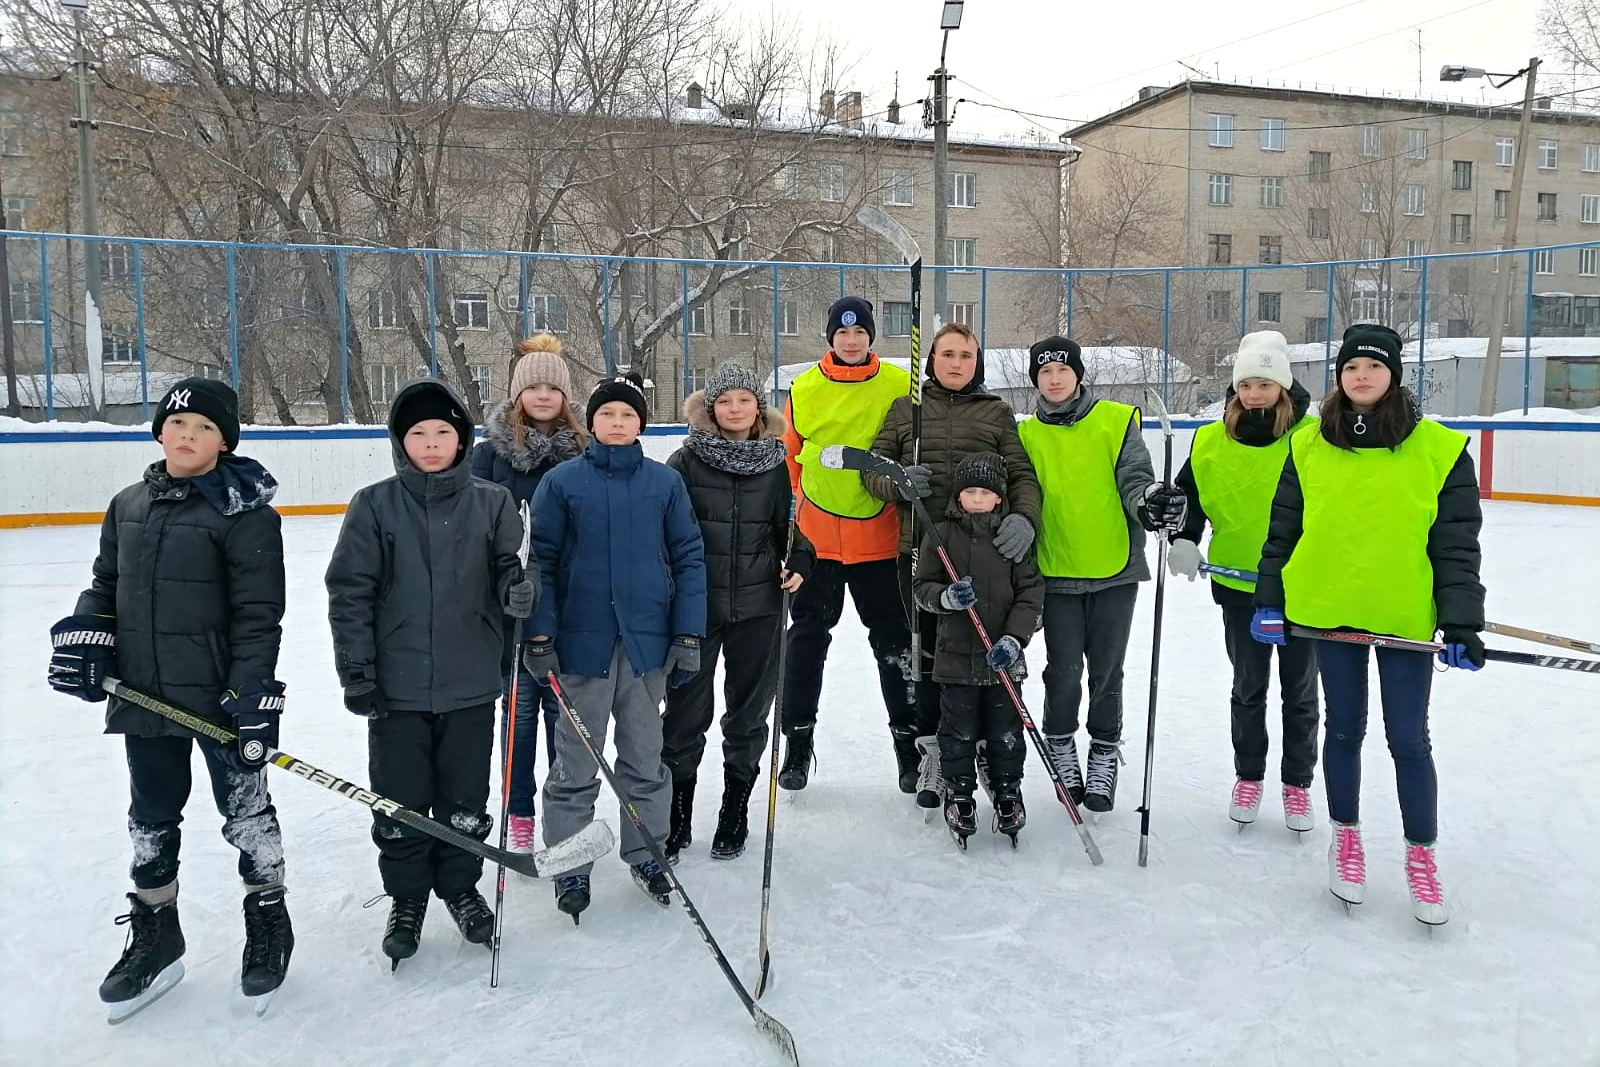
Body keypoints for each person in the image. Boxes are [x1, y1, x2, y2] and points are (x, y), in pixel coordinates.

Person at [48, 378, 293, 1018]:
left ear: (225, 440)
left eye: (206, 428)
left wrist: (252, 697)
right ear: (159, 430)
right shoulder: (127, 503)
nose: (188, 436)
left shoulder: (246, 514)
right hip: (143, 694)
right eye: (179, 424)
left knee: (246, 814)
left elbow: (259, 616)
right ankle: (156, 933)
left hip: (221, 700)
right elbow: (106, 584)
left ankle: (268, 919)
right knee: (152, 817)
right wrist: (85, 636)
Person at [1252, 324, 1484, 926]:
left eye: (1374, 367)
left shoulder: (1437, 448)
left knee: (1408, 737)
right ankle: (1347, 838)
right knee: (1344, 728)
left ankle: (1420, 855)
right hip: (1330, 611)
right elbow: (1284, 531)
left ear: (1394, 375)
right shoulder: (1308, 446)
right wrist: (1270, 600)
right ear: (1339, 376)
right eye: (1351, 367)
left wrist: (1461, 621)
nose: (1362, 376)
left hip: (1403, 614)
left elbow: (1456, 546)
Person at [325, 379, 534, 968]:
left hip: (471, 680)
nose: (432, 443)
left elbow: (508, 570)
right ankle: (408, 897)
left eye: (444, 431)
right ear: (400, 441)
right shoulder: (374, 504)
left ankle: (461, 887)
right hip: (396, 687)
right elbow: (350, 592)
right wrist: (357, 673)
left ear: (462, 438)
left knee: (465, 797)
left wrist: (518, 591)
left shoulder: (491, 502)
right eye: (419, 433)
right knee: (401, 801)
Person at [527, 372, 707, 920]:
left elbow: (688, 557)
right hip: (583, 647)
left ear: (640, 426)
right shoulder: (561, 483)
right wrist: (539, 634)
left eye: (628, 416)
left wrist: (687, 633)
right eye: (607, 414)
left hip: (647, 645)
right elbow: (543, 563)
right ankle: (570, 860)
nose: (617, 423)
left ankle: (647, 852)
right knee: (575, 762)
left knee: (644, 759)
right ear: (592, 421)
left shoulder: (663, 484)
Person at [863, 320, 1041, 807]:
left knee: (982, 649)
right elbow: (874, 470)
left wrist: (1024, 517)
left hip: (982, 558)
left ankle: (985, 744)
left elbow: (1021, 472)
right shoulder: (907, 411)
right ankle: (936, 749)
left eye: (966, 355)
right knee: (924, 655)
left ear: (976, 362)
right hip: (922, 553)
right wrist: (897, 483)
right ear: (932, 360)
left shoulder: (995, 412)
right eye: (947, 355)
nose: (957, 363)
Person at [1016, 336, 1188, 813]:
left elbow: (1135, 479)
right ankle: (1062, 745)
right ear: (1035, 379)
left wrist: (1149, 503)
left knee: (1107, 673)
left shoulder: (1115, 421)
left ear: (1078, 374)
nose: (1054, 379)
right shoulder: (1027, 434)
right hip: (1055, 572)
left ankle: (1105, 752)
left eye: (1063, 371)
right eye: (1045, 372)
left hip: (1115, 571)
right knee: (1064, 672)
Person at [661, 364, 814, 862]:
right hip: (695, 609)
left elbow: (789, 530)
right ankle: (677, 813)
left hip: (759, 606)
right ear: (710, 408)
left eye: (743, 400)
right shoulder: (683, 462)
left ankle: (734, 809)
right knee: (685, 714)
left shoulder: (775, 464)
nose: (734, 410)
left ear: (757, 407)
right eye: (724, 401)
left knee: (747, 716)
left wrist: (800, 560)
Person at [1170, 330, 1321, 831]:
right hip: (1239, 585)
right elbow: (1188, 494)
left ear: (1282, 385)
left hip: (1302, 584)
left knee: (1299, 691)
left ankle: (1297, 783)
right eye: (1245, 384)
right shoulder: (1211, 438)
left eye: (1264, 382)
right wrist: (1185, 537)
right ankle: (1249, 774)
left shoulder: (1311, 438)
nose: (1253, 393)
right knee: (1248, 685)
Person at [779, 296, 916, 792]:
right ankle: (796, 746)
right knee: (806, 641)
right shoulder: (805, 387)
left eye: (859, 334)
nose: (851, 341)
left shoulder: (903, 383)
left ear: (872, 337)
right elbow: (791, 455)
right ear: (830, 337)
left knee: (895, 645)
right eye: (842, 334)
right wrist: (799, 505)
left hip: (880, 540)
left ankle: (910, 747)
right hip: (818, 544)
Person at [470, 333, 587, 854]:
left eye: (553, 387)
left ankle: (560, 819)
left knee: (564, 721)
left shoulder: (584, 453)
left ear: (567, 397)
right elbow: (472, 527)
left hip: (569, 606)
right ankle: (516, 815)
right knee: (517, 718)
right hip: (511, 609)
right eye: (532, 386)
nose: (543, 396)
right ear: (516, 393)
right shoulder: (489, 456)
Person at [912, 452, 1045, 846]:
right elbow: (923, 588)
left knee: (1006, 731)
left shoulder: (1010, 538)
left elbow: (1031, 593)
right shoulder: (941, 534)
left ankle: (1007, 792)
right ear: (958, 495)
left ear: (999, 499)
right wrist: (947, 598)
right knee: (957, 732)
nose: (976, 498)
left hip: (1003, 658)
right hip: (954, 657)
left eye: (984, 493)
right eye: (969, 491)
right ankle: (959, 793)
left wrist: (1013, 640)